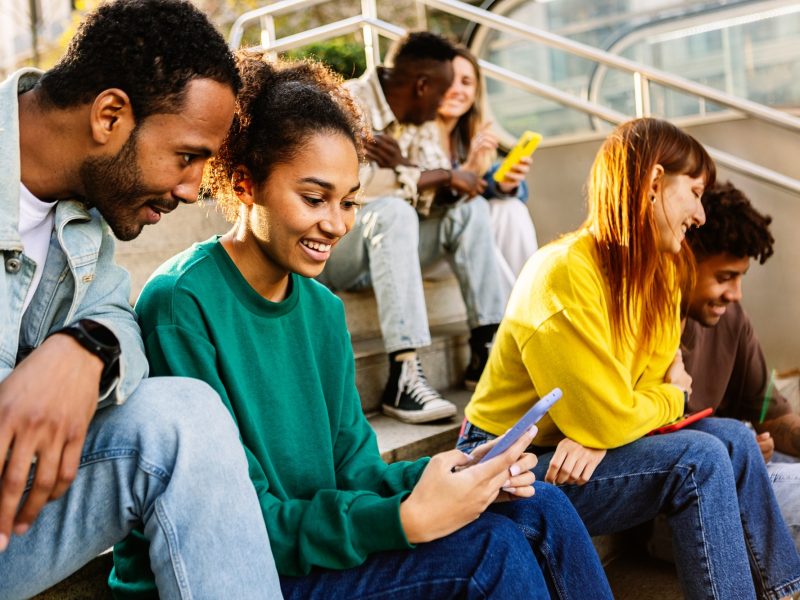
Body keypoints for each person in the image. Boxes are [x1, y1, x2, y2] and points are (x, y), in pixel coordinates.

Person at [111, 51, 615, 600]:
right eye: (313, 197)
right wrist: (403, 522)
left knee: (538, 501)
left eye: (349, 201)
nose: (336, 224)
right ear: (245, 184)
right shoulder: (181, 302)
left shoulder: (322, 309)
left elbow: (357, 471)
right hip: (243, 567)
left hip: (309, 542)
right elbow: (234, 526)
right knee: (492, 553)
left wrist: (451, 474)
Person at [0, 1, 281, 598]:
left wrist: (85, 345)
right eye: (187, 156)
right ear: (109, 115)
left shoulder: (81, 217)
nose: (190, 188)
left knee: (184, 417)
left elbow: (115, 319)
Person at [457, 117, 800, 599]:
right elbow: (641, 401)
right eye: (696, 192)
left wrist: (607, 425)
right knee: (698, 457)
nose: (700, 215)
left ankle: (786, 590)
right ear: (655, 184)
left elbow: (626, 407)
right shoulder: (564, 273)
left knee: (733, 439)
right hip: (509, 460)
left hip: (576, 454)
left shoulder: (662, 274)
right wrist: (616, 417)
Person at [317, 32, 508, 422]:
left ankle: (487, 348)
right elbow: (344, 188)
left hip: (394, 247)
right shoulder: (347, 104)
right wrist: (422, 174)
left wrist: (429, 178)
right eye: (441, 94)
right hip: (338, 250)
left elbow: (434, 185)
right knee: (394, 211)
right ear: (422, 86)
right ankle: (403, 376)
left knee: (468, 211)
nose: (442, 105)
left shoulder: (416, 120)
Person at [682, 181, 800, 551]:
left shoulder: (731, 319)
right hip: (686, 508)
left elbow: (772, 416)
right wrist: (736, 449)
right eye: (724, 277)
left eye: (740, 277)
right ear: (682, 258)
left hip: (743, 482)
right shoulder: (641, 324)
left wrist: (750, 447)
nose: (735, 295)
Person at [432, 44, 539, 292]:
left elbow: (490, 185)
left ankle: (531, 303)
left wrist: (505, 184)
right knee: (477, 213)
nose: (457, 90)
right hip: (433, 244)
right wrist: (467, 170)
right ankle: (516, 320)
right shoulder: (416, 134)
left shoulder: (471, 138)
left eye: (466, 82)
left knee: (510, 208)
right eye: (449, 80)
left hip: (469, 241)